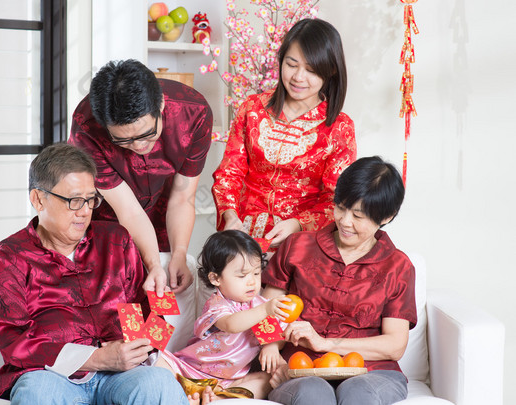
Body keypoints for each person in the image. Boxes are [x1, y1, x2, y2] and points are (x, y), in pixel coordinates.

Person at [0, 143, 188, 405]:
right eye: (74, 200)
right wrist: (96, 358)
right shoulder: (8, 257)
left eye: (91, 200)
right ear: (38, 199)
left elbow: (150, 317)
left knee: (159, 384)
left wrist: (149, 335)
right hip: (51, 377)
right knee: (36, 393)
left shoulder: (116, 240)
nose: (84, 211)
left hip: (121, 376)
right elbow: (13, 340)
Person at [261, 156, 416, 405]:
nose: (345, 221)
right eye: (341, 207)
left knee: (359, 395)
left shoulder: (398, 266)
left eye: (358, 215)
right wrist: (273, 355)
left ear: (386, 216)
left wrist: (325, 343)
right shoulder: (297, 246)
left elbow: (394, 345)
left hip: (372, 372)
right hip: (302, 369)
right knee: (313, 393)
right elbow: (266, 313)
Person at [69, 59, 213, 296]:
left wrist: (179, 254)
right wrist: (153, 264)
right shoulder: (86, 126)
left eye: (147, 134)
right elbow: (129, 210)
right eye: (123, 140)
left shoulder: (194, 113)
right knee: (111, 294)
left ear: (162, 104)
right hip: (110, 217)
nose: (139, 145)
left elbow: (182, 197)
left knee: (164, 292)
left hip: (164, 210)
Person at [212, 18, 356, 250]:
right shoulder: (252, 108)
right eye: (291, 64)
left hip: (302, 244)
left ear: (330, 70)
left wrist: (298, 225)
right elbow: (229, 174)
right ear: (281, 61)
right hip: (241, 237)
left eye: (311, 70)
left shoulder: (340, 127)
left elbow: (336, 200)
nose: (298, 77)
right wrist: (229, 216)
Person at [153, 230, 291, 404]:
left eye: (256, 273)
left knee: (266, 380)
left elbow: (279, 330)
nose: (252, 281)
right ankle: (185, 395)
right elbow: (231, 324)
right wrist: (265, 310)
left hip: (228, 381)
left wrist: (271, 347)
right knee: (159, 364)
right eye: (242, 275)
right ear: (216, 278)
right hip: (190, 370)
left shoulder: (260, 304)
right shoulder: (217, 304)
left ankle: (215, 398)